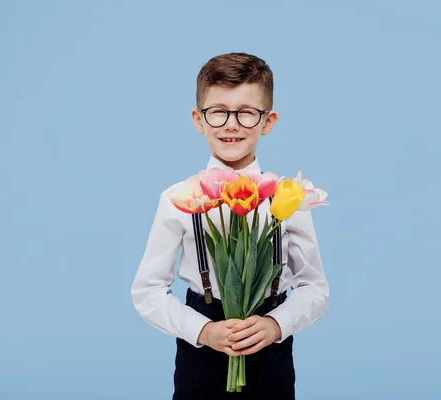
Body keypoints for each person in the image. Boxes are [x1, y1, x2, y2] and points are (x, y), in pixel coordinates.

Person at [131, 52, 329, 399]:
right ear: (198, 119)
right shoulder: (179, 197)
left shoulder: (288, 196)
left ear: (268, 121)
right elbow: (146, 291)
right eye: (218, 111)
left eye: (247, 113)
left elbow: (315, 288)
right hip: (202, 342)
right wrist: (203, 330)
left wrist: (276, 324)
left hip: (270, 345)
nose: (231, 124)